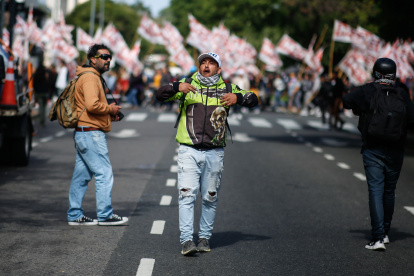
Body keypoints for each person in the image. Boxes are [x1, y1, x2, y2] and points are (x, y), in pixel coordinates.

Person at [156, 52, 258, 256]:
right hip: (188, 150)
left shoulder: (227, 88)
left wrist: (237, 98)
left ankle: (204, 238)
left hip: (215, 152)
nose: (206, 65)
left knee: (210, 197)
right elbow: (159, 94)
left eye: (211, 63)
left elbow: (253, 99)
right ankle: (186, 240)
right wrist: (177, 87)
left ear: (218, 69)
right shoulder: (187, 84)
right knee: (187, 195)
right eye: (203, 62)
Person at [342, 58, 414, 251]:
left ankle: (378, 237)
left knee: (375, 189)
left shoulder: (368, 90)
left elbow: (346, 101)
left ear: (376, 72)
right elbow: (412, 120)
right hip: (397, 149)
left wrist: (363, 108)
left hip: (373, 148)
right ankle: (386, 233)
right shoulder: (402, 93)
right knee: (389, 191)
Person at [67, 44, 128, 226]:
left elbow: (89, 107)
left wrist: (108, 114)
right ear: (93, 59)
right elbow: (93, 105)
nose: (108, 60)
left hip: (84, 132)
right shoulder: (91, 78)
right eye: (104, 57)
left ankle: (75, 214)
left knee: (81, 176)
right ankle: (105, 215)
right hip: (91, 134)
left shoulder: (88, 76)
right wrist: (109, 108)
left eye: (109, 57)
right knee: (104, 173)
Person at [33, 61, 49, 126]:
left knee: (40, 106)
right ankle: (43, 120)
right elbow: (48, 83)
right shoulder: (45, 74)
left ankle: (41, 119)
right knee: (44, 107)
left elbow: (34, 84)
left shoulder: (36, 75)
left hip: (39, 92)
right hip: (45, 92)